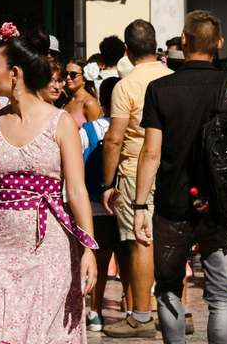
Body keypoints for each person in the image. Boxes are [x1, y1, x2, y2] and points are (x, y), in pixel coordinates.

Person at [0, 24, 98, 344]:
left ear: (15, 74)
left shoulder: (60, 122)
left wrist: (89, 248)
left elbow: (76, 190)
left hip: (51, 251)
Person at [135, 10, 227, 344]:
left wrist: (139, 205)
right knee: (221, 294)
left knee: (167, 288)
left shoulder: (160, 88)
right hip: (223, 206)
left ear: (184, 41)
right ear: (219, 44)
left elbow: (151, 152)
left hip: (173, 203)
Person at [100, 19, 173, 338]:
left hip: (132, 172)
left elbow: (114, 139)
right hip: (170, 171)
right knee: (170, 241)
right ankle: (176, 311)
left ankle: (142, 316)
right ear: (155, 45)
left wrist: (107, 183)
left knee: (141, 243)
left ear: (127, 50)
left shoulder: (125, 85)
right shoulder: (173, 78)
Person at [81, 76, 126, 332]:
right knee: (128, 259)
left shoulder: (87, 130)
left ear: (101, 99)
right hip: (125, 204)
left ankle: (95, 312)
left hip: (95, 205)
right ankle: (132, 308)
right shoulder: (131, 127)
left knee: (98, 260)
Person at [62, 57, 101, 128]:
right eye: (66, 73)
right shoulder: (66, 100)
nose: (68, 77)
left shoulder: (89, 103)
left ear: (85, 77)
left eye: (73, 74)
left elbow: (95, 134)